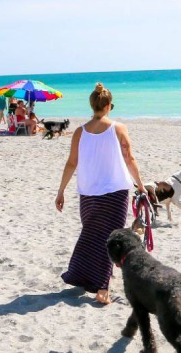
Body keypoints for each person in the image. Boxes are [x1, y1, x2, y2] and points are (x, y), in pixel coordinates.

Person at [55, 82, 146, 305]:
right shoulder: (118, 128)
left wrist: (61, 191)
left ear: (93, 105)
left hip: (88, 191)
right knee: (110, 239)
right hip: (115, 191)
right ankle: (102, 288)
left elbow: (71, 163)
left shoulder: (79, 132)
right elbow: (129, 159)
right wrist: (141, 185)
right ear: (107, 106)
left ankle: (81, 276)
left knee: (91, 234)